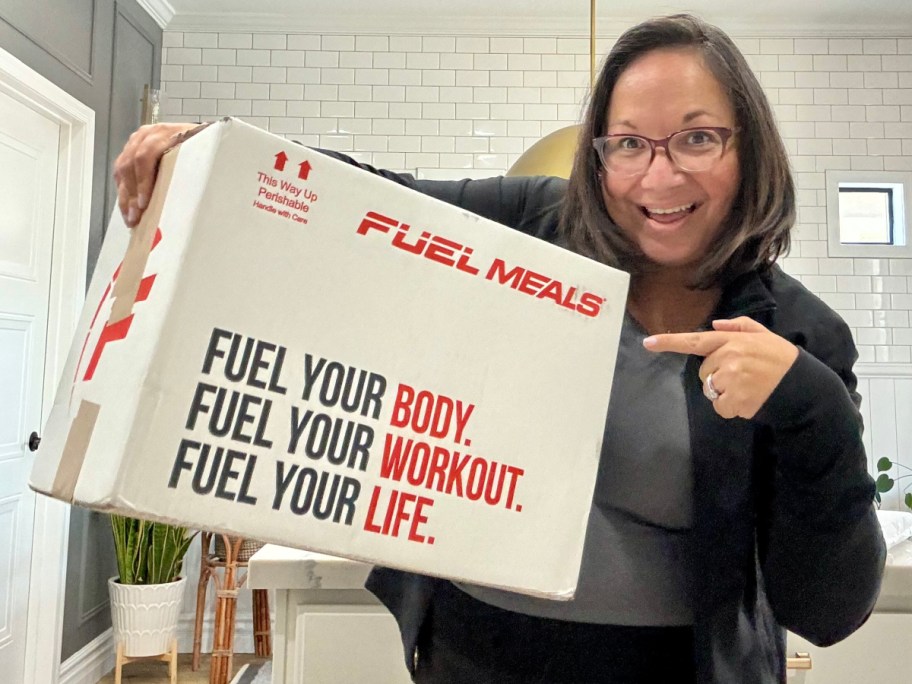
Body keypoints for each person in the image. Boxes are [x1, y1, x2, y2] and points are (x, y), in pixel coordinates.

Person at [113, 13, 885, 684]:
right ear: (598, 155)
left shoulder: (800, 335)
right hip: (472, 651)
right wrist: (218, 151)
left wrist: (811, 407)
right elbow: (375, 202)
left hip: (667, 669)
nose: (659, 173)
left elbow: (828, 609)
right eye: (628, 144)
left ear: (748, 146)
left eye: (697, 138)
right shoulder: (539, 223)